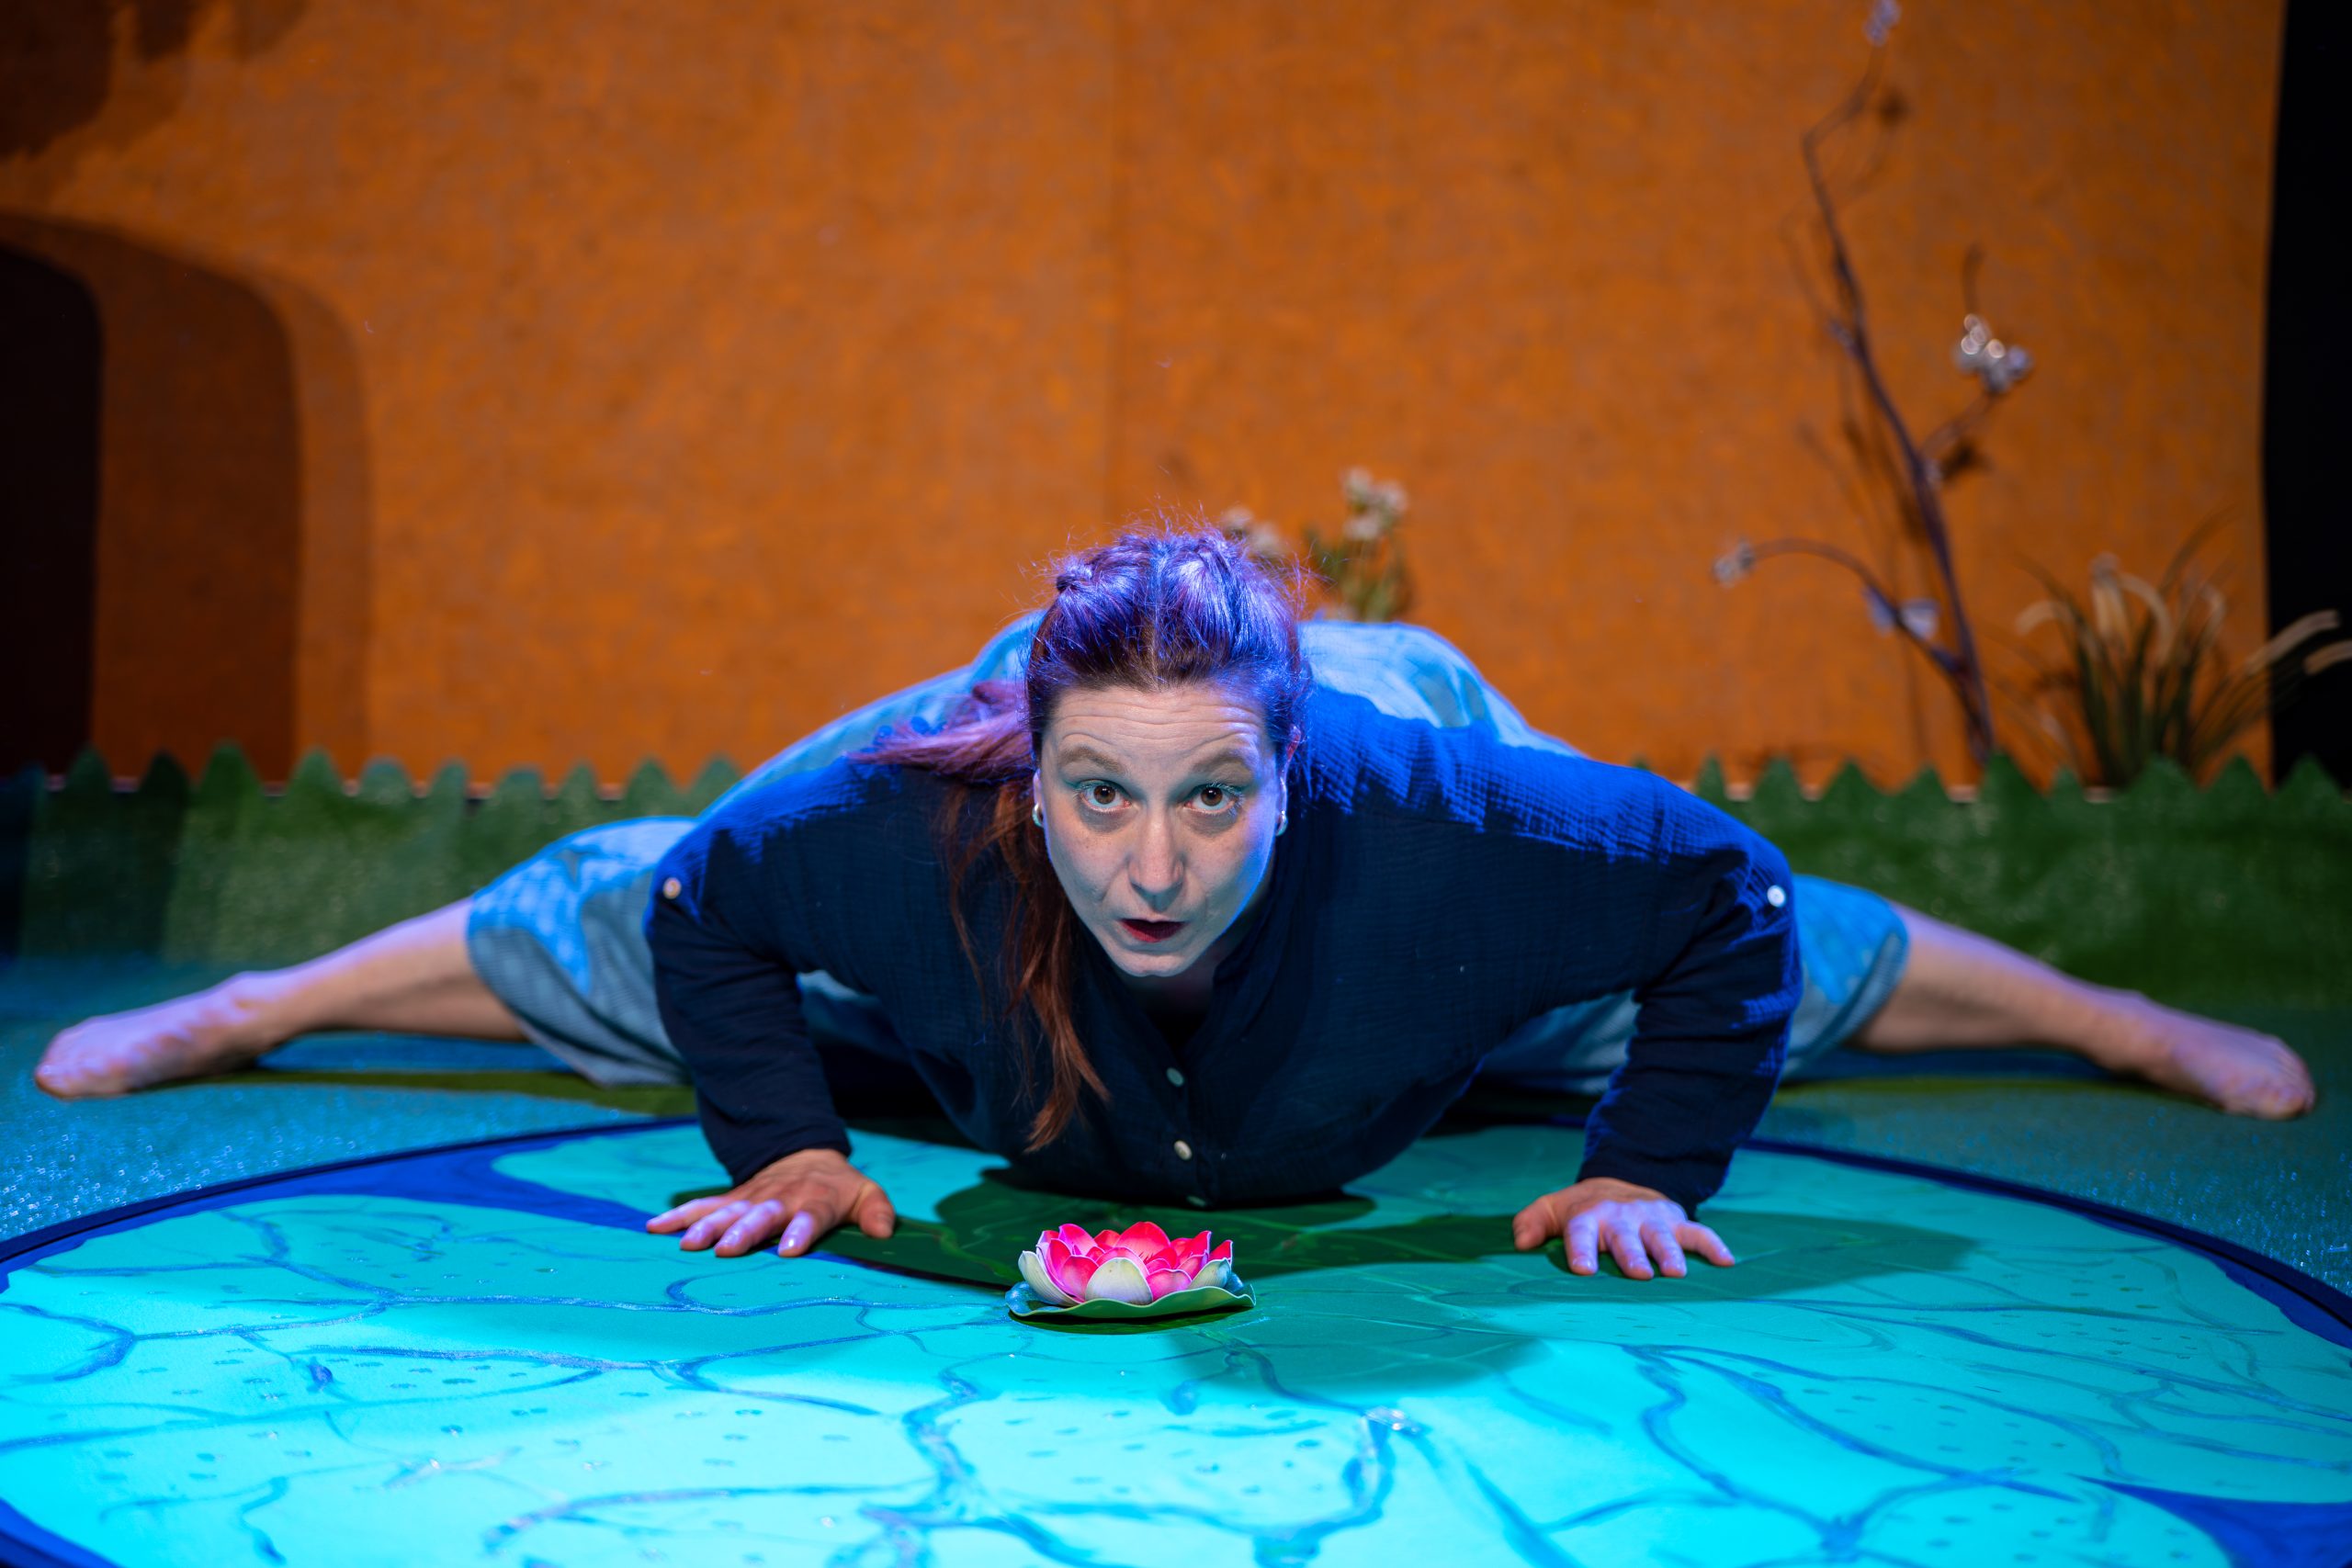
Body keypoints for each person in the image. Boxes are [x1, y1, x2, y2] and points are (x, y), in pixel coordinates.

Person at [35, 528, 2315, 1285]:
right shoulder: (906, 809)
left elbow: (1725, 892)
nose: (1149, 867)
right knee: (606, 918)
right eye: (1100, 799)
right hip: (971, 823)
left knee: (1768, 970)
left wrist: (1645, 1161)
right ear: (1025, 769)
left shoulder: (1451, 818)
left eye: (1210, 802)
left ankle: (2110, 1010)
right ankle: (248, 997)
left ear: (1290, 775)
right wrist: (785, 1141)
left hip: (1405, 802)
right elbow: (708, 895)